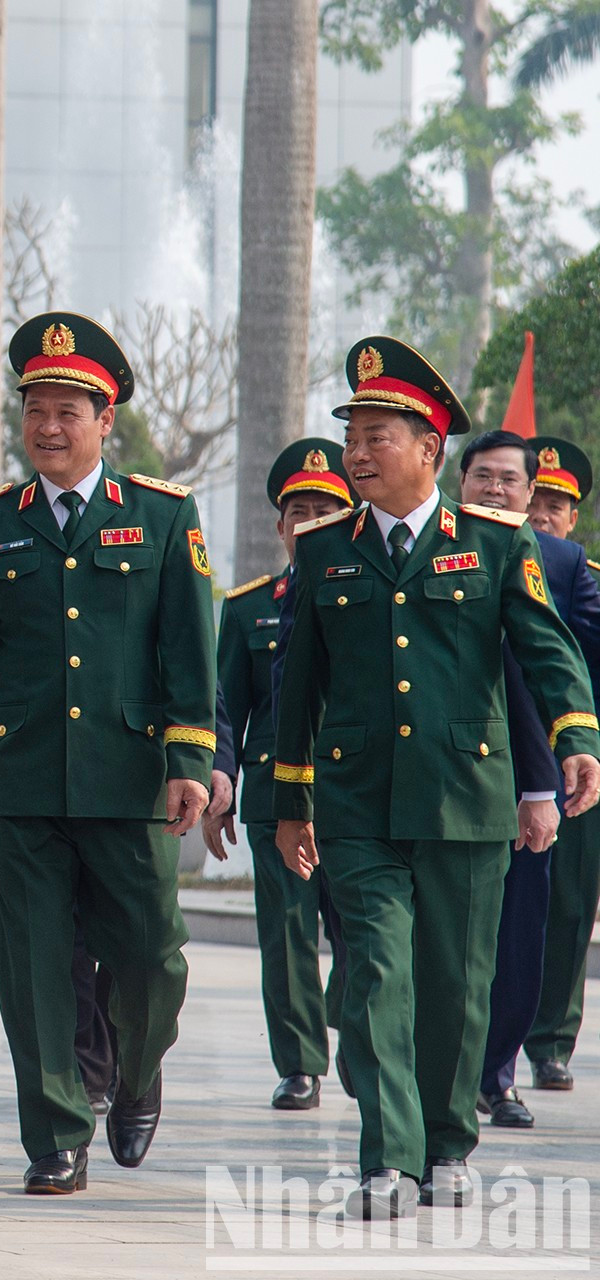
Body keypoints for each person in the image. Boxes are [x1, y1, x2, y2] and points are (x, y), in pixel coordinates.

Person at [271, 337, 600, 1219]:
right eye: (353, 437)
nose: (360, 453)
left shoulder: (495, 544)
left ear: (431, 450)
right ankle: (388, 1157)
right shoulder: (322, 550)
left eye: (380, 435)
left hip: (465, 798)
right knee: (376, 973)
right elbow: (294, 687)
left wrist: (576, 737)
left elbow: (546, 649)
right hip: (358, 803)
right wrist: (289, 801)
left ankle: (449, 1142)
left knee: (457, 985)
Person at [0, 311, 215, 1196]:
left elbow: (188, 653)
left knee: (152, 959)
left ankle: (135, 1074)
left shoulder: (164, 518)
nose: (48, 428)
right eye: (35, 411)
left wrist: (190, 765)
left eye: (68, 411)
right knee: (33, 967)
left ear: (105, 420)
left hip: (131, 781)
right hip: (22, 787)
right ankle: (55, 1135)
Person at [455, 430, 600, 1129]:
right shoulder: (431, 549)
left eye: (511, 481)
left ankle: (498, 1072)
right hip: (450, 780)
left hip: (532, 780)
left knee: (521, 935)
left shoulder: (566, 563)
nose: (497, 490)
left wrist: (575, 748)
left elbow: (577, 661)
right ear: (460, 481)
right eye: (483, 476)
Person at [203, 440, 352, 1110]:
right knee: (287, 934)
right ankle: (299, 1065)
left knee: (362, 930)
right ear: (280, 525)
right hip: (271, 794)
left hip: (354, 795)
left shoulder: (370, 596)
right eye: (300, 512)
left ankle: (354, 1023)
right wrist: (218, 781)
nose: (311, 522)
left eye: (327, 510)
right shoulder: (248, 608)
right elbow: (225, 708)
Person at [523, 437, 600, 1091]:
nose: (543, 516)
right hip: (497, 766)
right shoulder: (476, 566)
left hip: (572, 773)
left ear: (572, 518)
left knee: (569, 907)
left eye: (556, 506)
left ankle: (549, 1042)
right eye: (536, 501)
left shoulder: (583, 578)